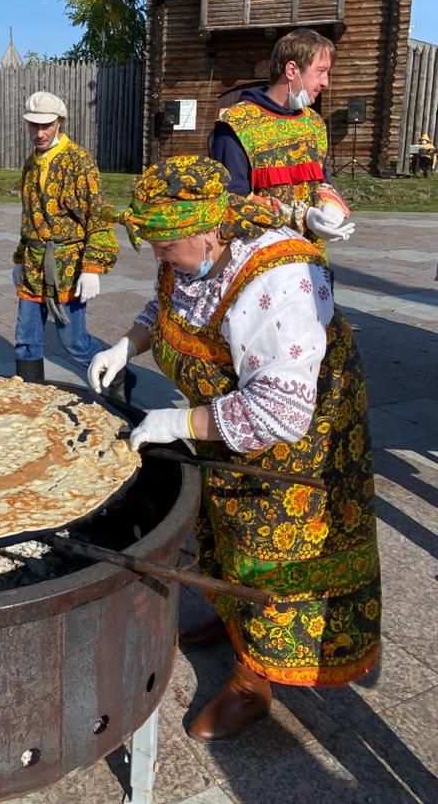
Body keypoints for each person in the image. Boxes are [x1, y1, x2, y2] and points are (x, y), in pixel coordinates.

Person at [88, 156, 381, 742]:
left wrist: (179, 422)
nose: (158, 257)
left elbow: (280, 411)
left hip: (295, 444)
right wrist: (127, 344)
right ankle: (232, 625)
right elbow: (166, 303)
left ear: (206, 231)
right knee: (226, 528)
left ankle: (255, 679)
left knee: (271, 553)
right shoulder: (193, 250)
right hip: (228, 422)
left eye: (164, 245)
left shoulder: (278, 280)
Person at [12, 90, 131, 396]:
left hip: (68, 266)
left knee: (73, 340)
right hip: (34, 266)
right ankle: (30, 396)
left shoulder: (79, 161)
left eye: (46, 125)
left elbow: (98, 214)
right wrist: (18, 258)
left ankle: (117, 375)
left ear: (60, 122)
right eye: (33, 125)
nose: (39, 132)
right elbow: (30, 217)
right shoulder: (31, 164)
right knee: (26, 337)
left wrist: (92, 267)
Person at [211, 28, 354, 245]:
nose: (326, 82)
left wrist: (329, 206)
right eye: (321, 71)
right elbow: (231, 202)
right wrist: (302, 216)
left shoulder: (314, 123)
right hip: (259, 259)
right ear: (291, 70)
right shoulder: (236, 124)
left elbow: (323, 180)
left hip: (310, 259)